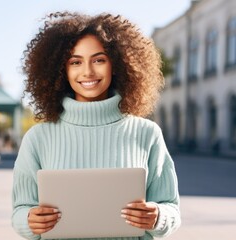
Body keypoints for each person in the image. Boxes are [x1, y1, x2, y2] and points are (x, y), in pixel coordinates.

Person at [12, 12, 181, 240]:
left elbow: (171, 207)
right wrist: (30, 220)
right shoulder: (38, 138)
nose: (88, 71)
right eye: (75, 62)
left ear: (117, 64)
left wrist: (158, 216)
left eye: (99, 59)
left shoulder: (146, 133)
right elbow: (20, 211)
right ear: (62, 70)